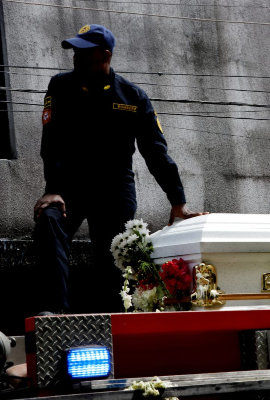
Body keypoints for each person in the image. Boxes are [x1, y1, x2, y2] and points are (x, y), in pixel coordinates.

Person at [33, 24, 208, 314]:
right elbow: (51, 141)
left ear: (104, 55)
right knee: (48, 221)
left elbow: (155, 151)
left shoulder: (133, 97)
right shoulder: (60, 86)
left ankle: (114, 319)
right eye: (74, 52)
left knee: (112, 261)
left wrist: (177, 201)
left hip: (113, 190)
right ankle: (55, 313)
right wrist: (52, 189)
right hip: (68, 189)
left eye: (84, 53)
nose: (76, 58)